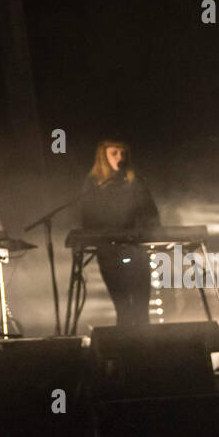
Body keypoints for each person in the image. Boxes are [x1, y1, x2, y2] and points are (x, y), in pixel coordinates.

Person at [80, 139, 160, 329]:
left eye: (123, 153)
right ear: (103, 155)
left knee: (142, 311)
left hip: (137, 251)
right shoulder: (94, 184)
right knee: (123, 310)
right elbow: (88, 219)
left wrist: (147, 230)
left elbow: (152, 213)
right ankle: (126, 353)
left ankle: (146, 351)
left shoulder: (136, 181)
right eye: (114, 153)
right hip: (109, 254)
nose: (120, 157)